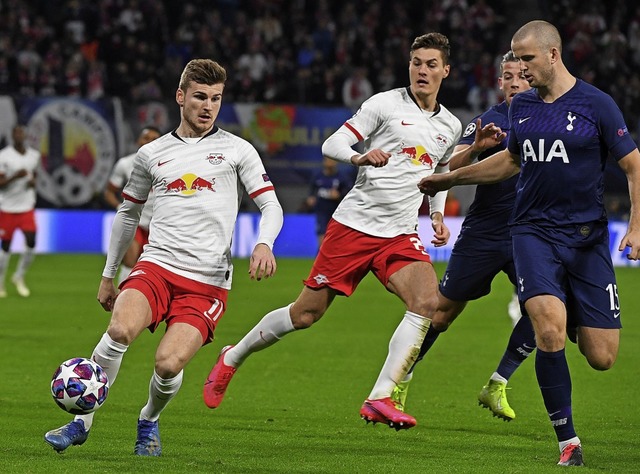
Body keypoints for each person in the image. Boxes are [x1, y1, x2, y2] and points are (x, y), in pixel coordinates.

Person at [203, 32, 462, 430]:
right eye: (415, 62)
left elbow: (441, 170)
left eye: (430, 64)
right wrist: (360, 155)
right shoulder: (384, 104)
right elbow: (332, 142)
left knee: (429, 304)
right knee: (305, 314)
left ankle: (379, 396)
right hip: (354, 227)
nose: (421, 71)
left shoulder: (450, 124)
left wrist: (437, 215)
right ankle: (232, 356)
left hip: (399, 234)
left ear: (446, 70)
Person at [418, 20, 640, 467]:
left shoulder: (597, 104)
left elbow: (634, 166)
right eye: (514, 59)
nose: (519, 67)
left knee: (602, 357)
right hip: (532, 233)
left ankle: (576, 306)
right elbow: (511, 161)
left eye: (527, 58)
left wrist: (635, 227)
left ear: (553, 54)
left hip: (587, 239)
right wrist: (451, 178)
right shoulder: (522, 109)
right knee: (549, 328)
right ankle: (568, 442)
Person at [44, 58, 284, 456]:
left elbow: (271, 205)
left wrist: (264, 243)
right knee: (119, 331)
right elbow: (128, 213)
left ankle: (149, 420)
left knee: (168, 365)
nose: (208, 106)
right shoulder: (152, 154)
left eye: (216, 99)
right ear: (181, 96)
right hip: (156, 266)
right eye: (200, 97)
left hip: (207, 282)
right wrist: (109, 275)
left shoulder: (238, 150)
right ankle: (80, 422)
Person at [391, 51, 535, 422]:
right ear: (499, 81)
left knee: (546, 308)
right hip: (485, 233)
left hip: (532, 232)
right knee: (439, 315)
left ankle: (498, 383)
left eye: (522, 74)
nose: (515, 81)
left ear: (534, 76)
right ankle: (400, 379)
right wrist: (476, 148)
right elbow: (451, 164)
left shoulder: (552, 119)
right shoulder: (487, 121)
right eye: (507, 76)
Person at [103, 126, 162, 283]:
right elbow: (109, 192)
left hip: (159, 225)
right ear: (138, 141)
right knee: (130, 263)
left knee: (155, 268)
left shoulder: (170, 165)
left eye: (155, 139)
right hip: (134, 221)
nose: (149, 142)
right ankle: (121, 303)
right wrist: (119, 208)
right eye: (146, 138)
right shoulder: (125, 164)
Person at [0, 124, 41, 298]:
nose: (19, 135)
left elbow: (35, 175)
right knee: (6, 247)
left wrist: (33, 183)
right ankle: (1, 282)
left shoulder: (34, 155)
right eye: (16, 132)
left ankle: (19, 276)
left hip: (26, 206)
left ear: (25, 135)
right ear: (12, 135)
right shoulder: (4, 156)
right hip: (8, 208)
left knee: (31, 241)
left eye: (21, 132)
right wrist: (15, 176)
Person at [304, 156, 352, 246]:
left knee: (336, 235)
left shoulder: (342, 178)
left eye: (332, 160)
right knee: (322, 233)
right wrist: (311, 197)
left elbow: (349, 192)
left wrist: (339, 195)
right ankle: (321, 255)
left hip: (336, 211)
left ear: (336, 162)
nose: (330, 162)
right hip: (321, 210)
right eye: (328, 160)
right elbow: (312, 190)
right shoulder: (318, 176)